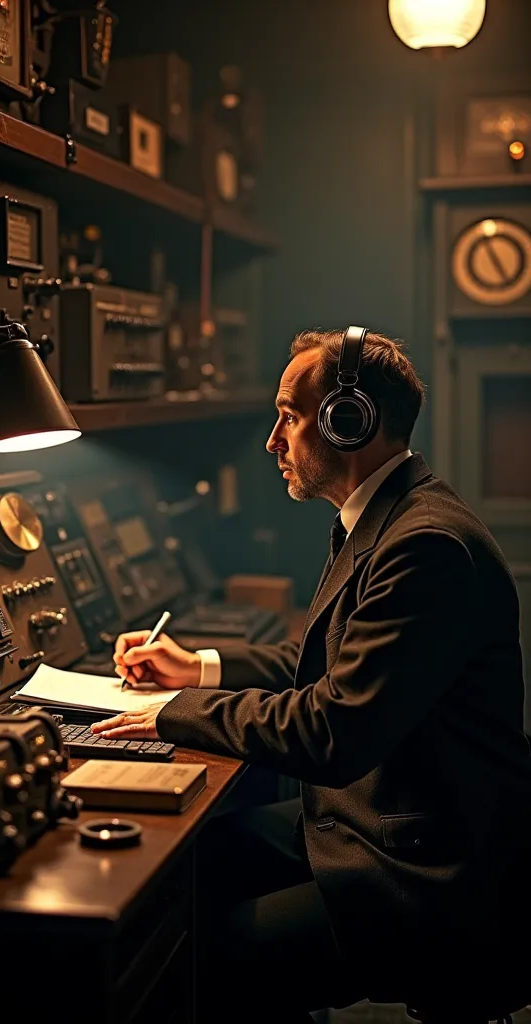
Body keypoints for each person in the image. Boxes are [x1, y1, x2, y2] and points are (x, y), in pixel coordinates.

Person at [92, 328, 531, 1022]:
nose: (273, 440)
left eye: (290, 416)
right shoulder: (386, 519)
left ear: (349, 421)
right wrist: (198, 667)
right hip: (372, 825)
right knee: (192, 870)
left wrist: (175, 711)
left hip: (424, 868)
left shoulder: (425, 546)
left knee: (197, 954)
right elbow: (322, 667)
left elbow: (334, 727)